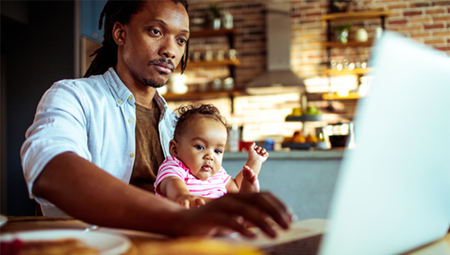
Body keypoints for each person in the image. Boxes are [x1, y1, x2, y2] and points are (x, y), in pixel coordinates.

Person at [20, 0, 294, 237]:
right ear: (120, 33)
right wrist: (178, 219)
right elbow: (50, 168)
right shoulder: (73, 96)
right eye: (156, 31)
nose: (170, 50)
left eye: (181, 39)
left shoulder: (177, 126)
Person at [154, 104, 268, 208]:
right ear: (174, 149)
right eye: (200, 147)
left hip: (217, 221)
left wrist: (254, 162)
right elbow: (171, 182)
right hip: (186, 221)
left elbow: (236, 188)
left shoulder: (219, 174)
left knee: (243, 203)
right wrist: (182, 196)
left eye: (217, 151)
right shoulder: (175, 167)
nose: (210, 156)